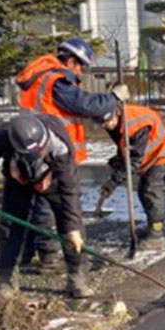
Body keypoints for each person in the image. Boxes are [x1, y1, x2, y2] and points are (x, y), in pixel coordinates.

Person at [15, 37, 129, 271]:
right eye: (81, 66)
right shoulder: (55, 81)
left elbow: (72, 109)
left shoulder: (44, 79)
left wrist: (104, 115)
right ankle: (54, 260)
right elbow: (84, 104)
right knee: (56, 205)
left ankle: (35, 255)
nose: (82, 73)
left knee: (41, 204)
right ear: (69, 60)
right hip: (52, 154)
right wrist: (113, 98)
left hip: (41, 149)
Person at [0, 113, 91, 298]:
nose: (38, 154)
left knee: (71, 227)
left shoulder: (59, 146)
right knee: (10, 226)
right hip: (19, 179)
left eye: (41, 151)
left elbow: (69, 191)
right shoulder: (2, 136)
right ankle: (6, 280)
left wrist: (72, 228)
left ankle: (77, 277)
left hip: (54, 178)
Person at [95, 104, 165, 251]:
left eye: (108, 121)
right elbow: (128, 146)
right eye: (102, 123)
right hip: (152, 152)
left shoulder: (135, 125)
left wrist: (112, 182)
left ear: (115, 113)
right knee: (143, 191)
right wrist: (119, 159)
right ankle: (153, 227)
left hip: (164, 152)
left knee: (152, 192)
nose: (106, 126)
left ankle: (157, 236)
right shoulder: (116, 121)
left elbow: (133, 161)